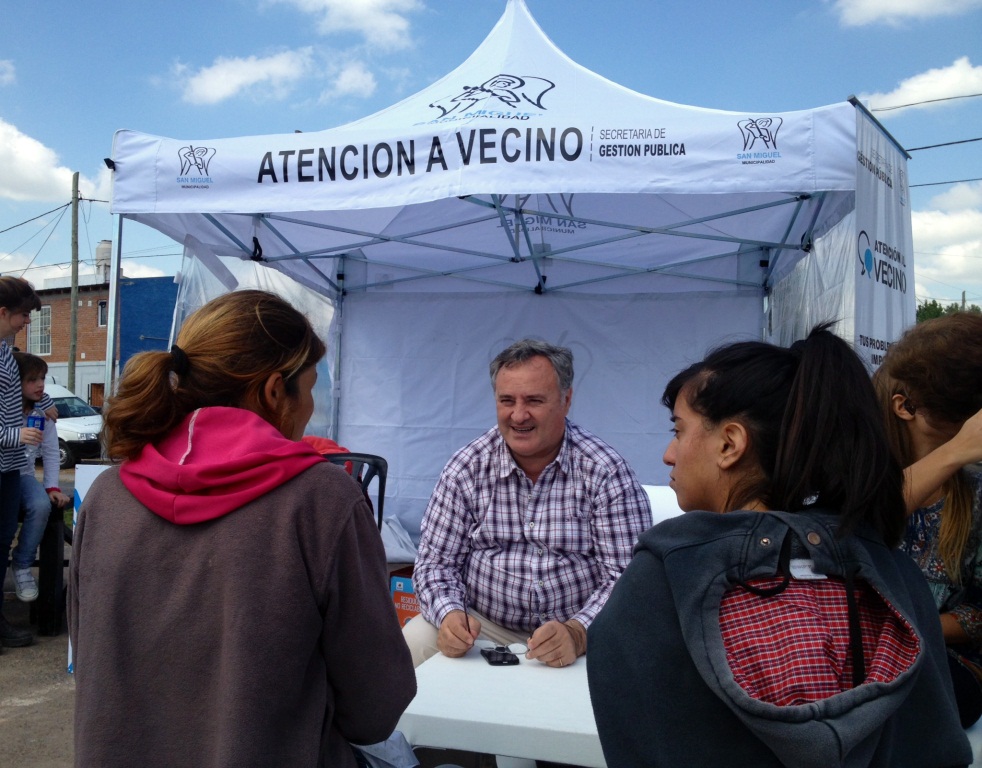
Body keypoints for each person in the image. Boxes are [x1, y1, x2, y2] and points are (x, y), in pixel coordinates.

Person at [588, 324, 971, 767]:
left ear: (730, 443)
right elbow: (934, 746)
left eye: (679, 429)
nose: (668, 454)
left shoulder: (665, 578)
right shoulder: (893, 575)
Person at [68, 290, 415, 768]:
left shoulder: (107, 496)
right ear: (275, 391)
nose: (311, 404)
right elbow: (375, 707)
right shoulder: (322, 501)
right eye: (310, 386)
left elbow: (88, 658)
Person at [404, 338, 651, 668]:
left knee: (639, 658)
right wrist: (450, 615)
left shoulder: (605, 472)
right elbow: (435, 565)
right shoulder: (466, 468)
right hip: (484, 626)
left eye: (534, 400)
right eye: (507, 401)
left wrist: (578, 632)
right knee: (416, 639)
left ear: (566, 400)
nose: (518, 415)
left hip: (579, 628)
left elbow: (629, 578)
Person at [873, 312, 982, 728]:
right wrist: (954, 452)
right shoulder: (856, 476)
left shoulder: (975, 493)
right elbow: (850, 528)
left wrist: (910, 626)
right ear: (905, 407)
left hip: (946, 669)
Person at [0, 276, 56, 650]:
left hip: (6, 469)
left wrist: (44, 398)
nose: (28, 321)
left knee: (0, 545)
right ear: (3, 312)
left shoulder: (5, 352)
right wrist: (15, 436)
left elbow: (23, 387)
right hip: (6, 458)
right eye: (23, 314)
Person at [9, 352, 70, 602]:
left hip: (23, 476)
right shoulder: (7, 411)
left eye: (42, 378)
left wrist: (51, 486)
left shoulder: (44, 416)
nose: (40, 384)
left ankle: (22, 564)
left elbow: (51, 453)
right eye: (32, 379)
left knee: (40, 505)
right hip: (5, 474)